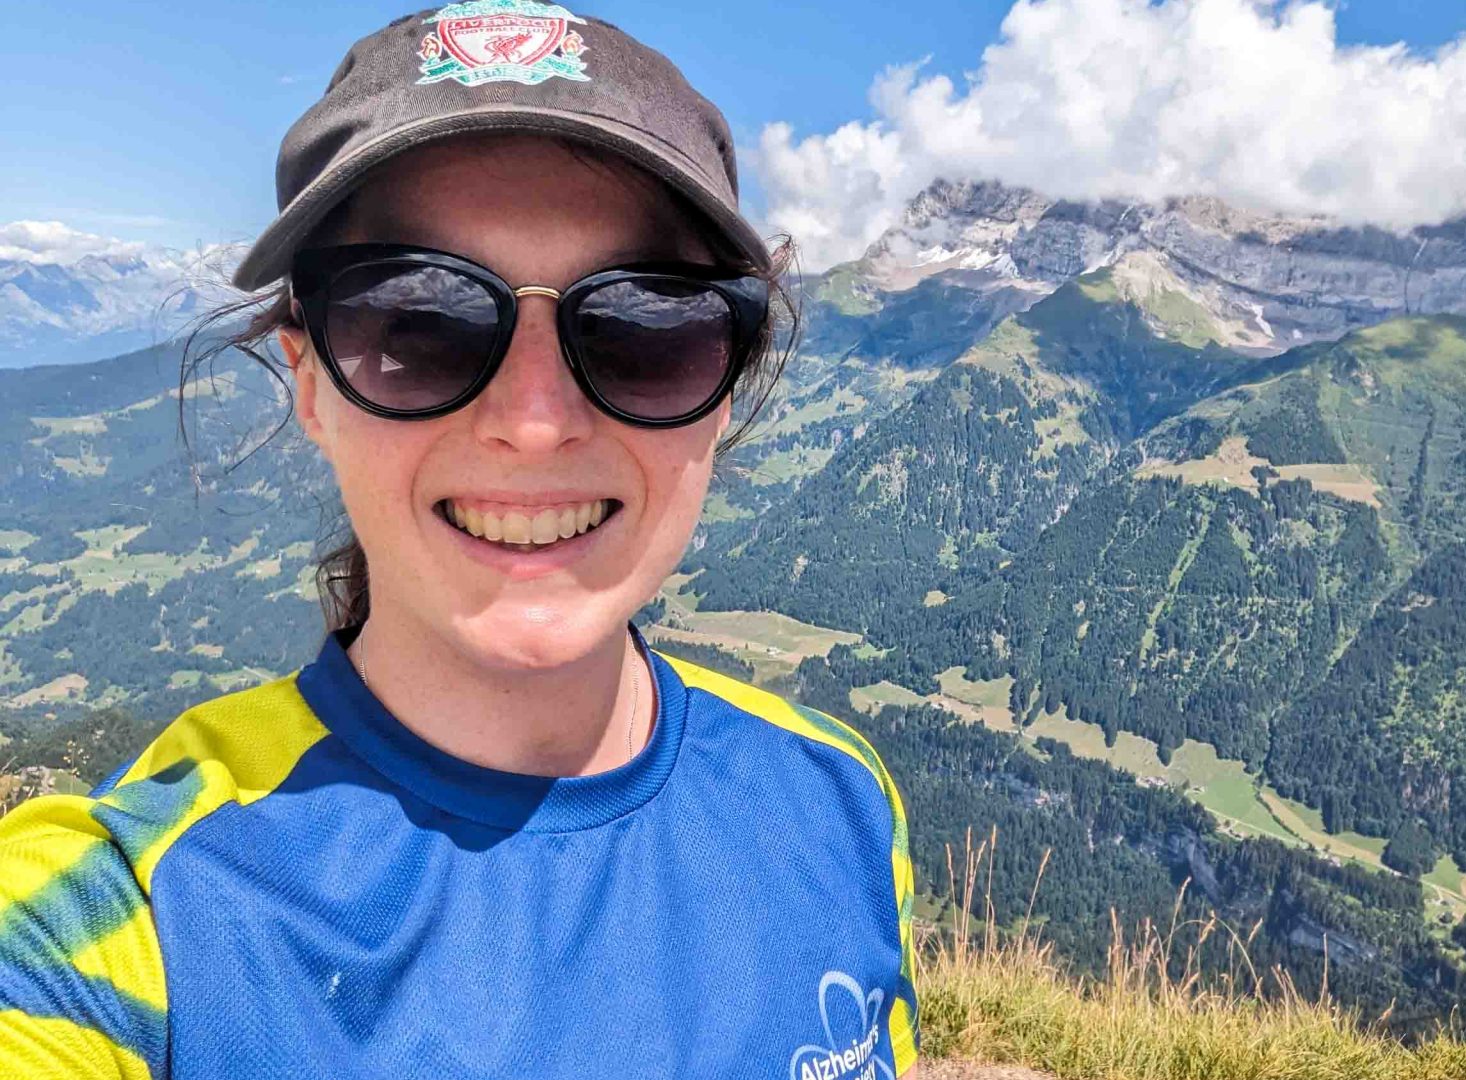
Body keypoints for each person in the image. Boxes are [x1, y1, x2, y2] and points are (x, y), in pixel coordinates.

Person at [0, 5, 918, 1077]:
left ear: (725, 385)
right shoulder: (118, 920)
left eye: (644, 331)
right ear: (309, 380)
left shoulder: (844, 800)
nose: (535, 425)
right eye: (418, 326)